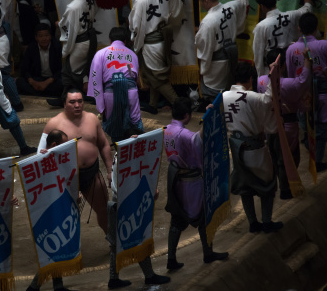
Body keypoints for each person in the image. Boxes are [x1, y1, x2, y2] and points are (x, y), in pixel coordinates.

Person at [164, 97, 229, 270]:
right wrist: (207, 120)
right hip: (190, 182)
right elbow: (198, 141)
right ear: (187, 115)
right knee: (201, 216)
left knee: (177, 219)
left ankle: (172, 259)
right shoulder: (183, 134)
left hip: (175, 179)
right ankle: (207, 253)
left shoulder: (167, 129)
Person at [106, 128, 171, 289]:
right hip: (121, 205)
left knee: (136, 238)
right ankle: (140, 276)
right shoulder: (124, 155)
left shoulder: (127, 155)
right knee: (133, 239)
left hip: (126, 203)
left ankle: (122, 278)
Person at [40, 88, 111, 233]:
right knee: (64, 218)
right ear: (65, 104)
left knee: (105, 210)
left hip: (92, 174)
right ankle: (69, 252)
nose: (77, 105)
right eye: (72, 102)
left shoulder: (92, 119)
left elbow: (103, 144)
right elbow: (40, 154)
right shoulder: (53, 124)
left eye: (80, 101)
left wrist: (110, 170)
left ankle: (112, 242)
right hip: (65, 178)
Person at [223, 62, 283, 233]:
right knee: (268, 185)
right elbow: (269, 99)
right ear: (250, 78)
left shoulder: (223, 96)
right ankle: (266, 222)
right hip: (254, 148)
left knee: (245, 188)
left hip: (235, 147)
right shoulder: (252, 97)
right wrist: (273, 76)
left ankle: (253, 223)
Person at [128, 0, 184, 114]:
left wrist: (136, 47)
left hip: (151, 42)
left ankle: (179, 106)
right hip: (163, 39)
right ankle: (152, 105)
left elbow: (138, 27)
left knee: (158, 78)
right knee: (153, 74)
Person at [257, 48, 311, 199]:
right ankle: (285, 189)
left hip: (269, 124)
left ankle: (278, 186)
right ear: (283, 65)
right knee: (287, 159)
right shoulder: (289, 84)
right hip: (287, 126)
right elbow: (304, 80)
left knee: (274, 157)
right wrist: (307, 60)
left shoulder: (260, 80)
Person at [48, 0, 96, 107]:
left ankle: (70, 100)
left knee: (70, 73)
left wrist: (65, 51)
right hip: (91, 36)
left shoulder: (72, 7)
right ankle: (71, 98)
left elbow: (72, 33)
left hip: (81, 40)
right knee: (81, 70)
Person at [285, 12, 327, 172]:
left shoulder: (291, 49)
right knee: (321, 125)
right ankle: (317, 160)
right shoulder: (326, 45)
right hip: (322, 92)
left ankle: (308, 143)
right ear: (317, 28)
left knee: (306, 123)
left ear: (299, 28)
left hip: (303, 92)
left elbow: (292, 75)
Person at [27, 129, 74, 291]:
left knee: (58, 247)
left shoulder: (59, 158)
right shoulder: (39, 161)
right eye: (64, 143)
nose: (67, 146)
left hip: (58, 205)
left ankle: (58, 285)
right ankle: (33, 287)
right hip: (45, 211)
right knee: (51, 250)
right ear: (54, 145)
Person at [196, 0, 248, 103]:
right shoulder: (230, 7)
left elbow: (204, 46)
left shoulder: (208, 21)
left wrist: (203, 70)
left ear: (206, 1)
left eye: (202, 2)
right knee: (227, 89)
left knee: (213, 93)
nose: (202, 5)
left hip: (216, 63)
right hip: (231, 54)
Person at [87, 27, 143, 143]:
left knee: (115, 125)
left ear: (110, 40)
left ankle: (119, 153)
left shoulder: (101, 53)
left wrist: (100, 106)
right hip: (131, 91)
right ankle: (137, 152)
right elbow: (135, 77)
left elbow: (95, 80)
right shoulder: (132, 54)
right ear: (126, 41)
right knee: (135, 124)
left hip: (110, 93)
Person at [253, 0, 311, 77]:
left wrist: (261, 78)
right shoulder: (291, 16)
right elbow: (308, 9)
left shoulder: (261, 26)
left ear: (261, 6)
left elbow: (258, 55)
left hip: (271, 68)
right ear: (275, 1)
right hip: (291, 65)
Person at [16, 23, 63, 97]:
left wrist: (47, 82)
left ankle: (38, 93)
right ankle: (44, 93)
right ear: (36, 37)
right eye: (40, 36)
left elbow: (61, 69)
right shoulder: (31, 48)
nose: (44, 38)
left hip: (52, 79)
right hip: (37, 79)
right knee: (20, 82)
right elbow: (25, 68)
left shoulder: (57, 47)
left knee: (62, 83)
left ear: (50, 36)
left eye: (46, 35)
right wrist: (32, 82)